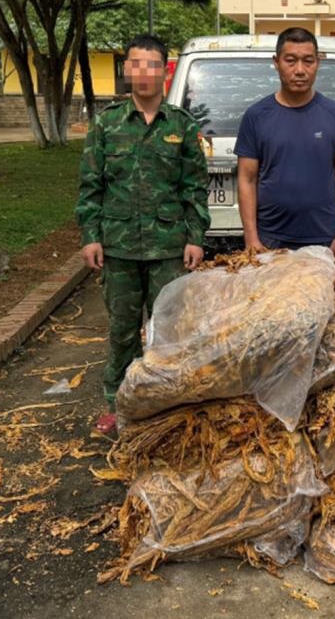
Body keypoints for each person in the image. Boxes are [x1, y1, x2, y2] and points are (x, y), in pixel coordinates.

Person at [75, 35, 210, 436]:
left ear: (164, 72)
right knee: (121, 331)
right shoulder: (107, 123)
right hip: (118, 246)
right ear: (127, 70)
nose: (144, 72)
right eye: (136, 64)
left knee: (170, 333)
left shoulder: (181, 125)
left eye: (152, 65)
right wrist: (90, 235)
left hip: (168, 248)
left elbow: (194, 188)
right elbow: (91, 184)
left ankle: (169, 407)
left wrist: (196, 237)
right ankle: (119, 406)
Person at [235, 27, 335, 256]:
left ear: (318, 63)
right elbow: (246, 178)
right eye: (290, 61)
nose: (300, 70)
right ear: (276, 62)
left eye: (308, 61)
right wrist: (251, 238)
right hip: (269, 239)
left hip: (324, 238)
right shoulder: (256, 116)